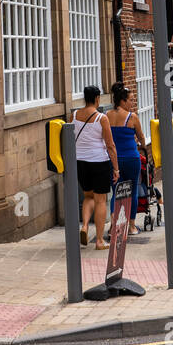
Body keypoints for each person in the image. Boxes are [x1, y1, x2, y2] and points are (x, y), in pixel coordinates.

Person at [73, 84, 119, 250]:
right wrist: (115, 168)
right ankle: (99, 241)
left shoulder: (75, 114)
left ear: (85, 98)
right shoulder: (102, 118)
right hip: (99, 162)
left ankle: (84, 226)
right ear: (98, 98)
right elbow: (110, 145)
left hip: (80, 163)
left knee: (88, 196)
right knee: (100, 200)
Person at [107, 83, 149, 236]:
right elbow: (142, 138)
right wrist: (141, 144)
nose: (132, 103)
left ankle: (113, 226)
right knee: (132, 192)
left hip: (114, 160)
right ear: (122, 101)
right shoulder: (132, 117)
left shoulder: (107, 116)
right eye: (130, 100)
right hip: (131, 159)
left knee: (116, 191)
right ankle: (131, 226)